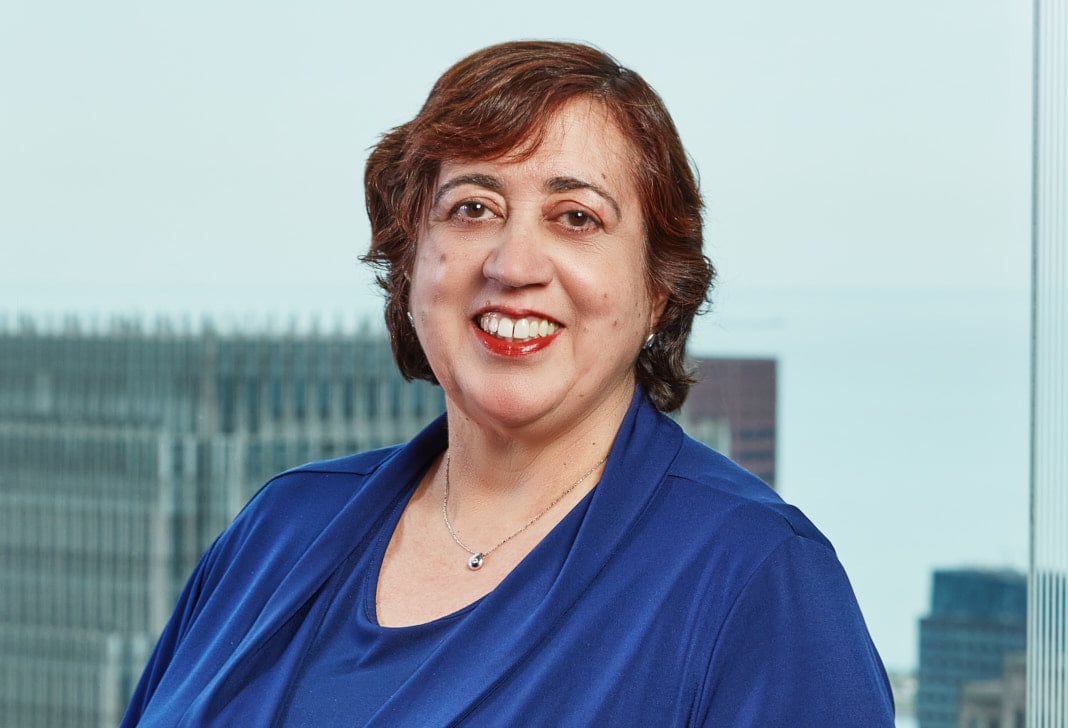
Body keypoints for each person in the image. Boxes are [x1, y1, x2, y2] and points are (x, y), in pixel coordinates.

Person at [122, 41, 895, 726]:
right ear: (410, 260)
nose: (512, 265)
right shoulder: (278, 528)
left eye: (576, 217)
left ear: (660, 286)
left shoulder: (757, 576)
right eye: (472, 208)